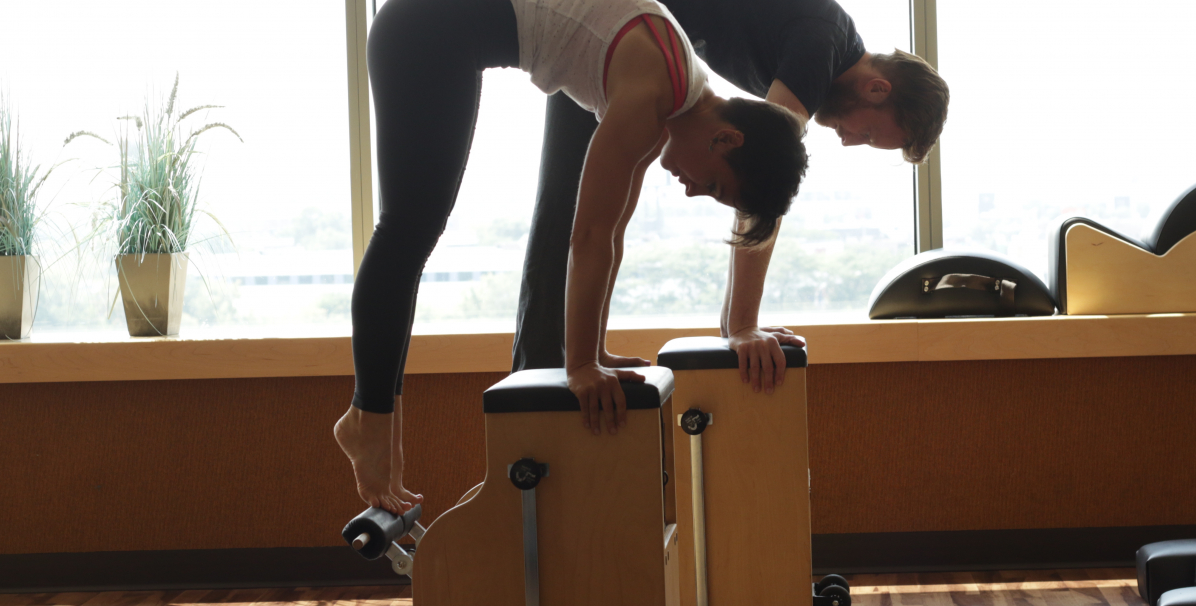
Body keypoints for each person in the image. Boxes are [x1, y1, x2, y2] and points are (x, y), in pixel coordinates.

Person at [334, 0, 809, 514]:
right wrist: (579, 364)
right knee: (407, 228)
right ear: (726, 138)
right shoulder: (655, 87)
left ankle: (373, 418)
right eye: (714, 184)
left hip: (448, 32)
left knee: (415, 227)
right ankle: (368, 418)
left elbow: (613, 231)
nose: (694, 192)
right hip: (425, 25)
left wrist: (594, 352)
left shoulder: (672, 96)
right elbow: (586, 235)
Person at [512, 0, 950, 395]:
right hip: (613, 28)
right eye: (868, 133)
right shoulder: (821, 45)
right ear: (876, 90)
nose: (850, 142)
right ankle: (547, 388)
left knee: (604, 216)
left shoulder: (826, 40)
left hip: (636, 43)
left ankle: (581, 360)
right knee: (575, 218)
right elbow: (760, 186)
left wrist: (734, 323)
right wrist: (742, 326)